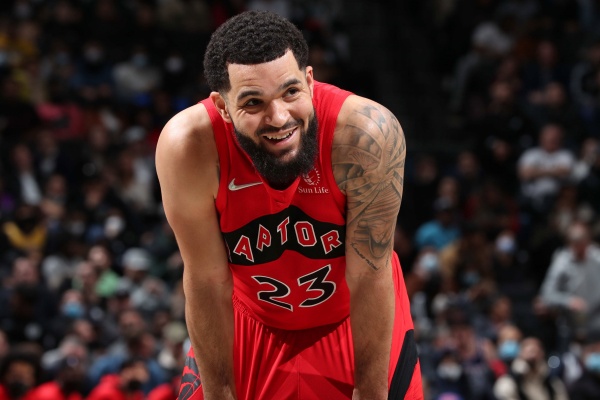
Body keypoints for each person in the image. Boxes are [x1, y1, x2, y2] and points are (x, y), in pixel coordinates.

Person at [156, 10, 422, 400]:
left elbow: (369, 276)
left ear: (310, 81)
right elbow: (207, 280)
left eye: (291, 92)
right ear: (223, 106)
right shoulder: (188, 146)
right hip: (248, 321)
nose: (279, 118)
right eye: (253, 102)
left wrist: (370, 391)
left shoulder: (366, 134)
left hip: (353, 318)